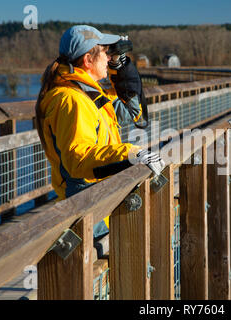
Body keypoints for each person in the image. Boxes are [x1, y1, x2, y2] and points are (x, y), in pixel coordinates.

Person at [34, 25, 164, 238]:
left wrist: (120, 69)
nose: (108, 57)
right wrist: (132, 154)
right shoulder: (71, 100)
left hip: (98, 203)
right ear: (87, 60)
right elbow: (79, 159)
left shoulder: (88, 94)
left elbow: (132, 112)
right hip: (86, 210)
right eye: (105, 53)